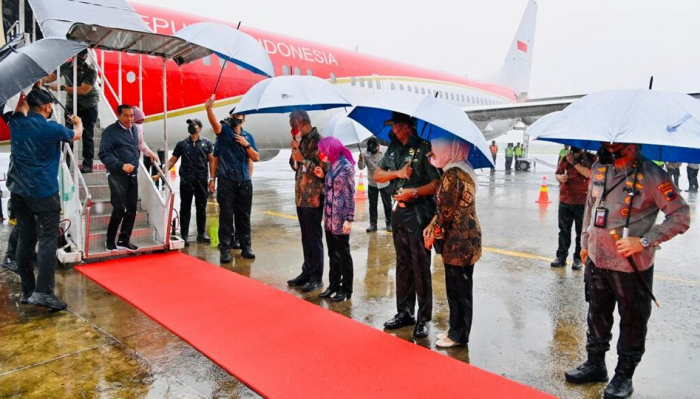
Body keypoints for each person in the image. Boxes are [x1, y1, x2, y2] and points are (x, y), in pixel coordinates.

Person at [565, 143, 690, 399]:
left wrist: (643, 241)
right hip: (597, 260)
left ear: (632, 145)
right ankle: (595, 363)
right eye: (607, 146)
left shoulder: (653, 175)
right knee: (597, 313)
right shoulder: (600, 169)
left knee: (632, 320)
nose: (610, 151)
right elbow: (591, 207)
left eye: (616, 148)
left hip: (630, 266)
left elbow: (680, 216)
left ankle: (624, 375)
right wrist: (585, 242)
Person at [7, 88, 83, 310]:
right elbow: (76, 134)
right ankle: (43, 293)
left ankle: (27, 290)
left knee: (26, 239)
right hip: (43, 192)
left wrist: (27, 90)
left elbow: (21, 107)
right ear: (48, 107)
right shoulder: (51, 128)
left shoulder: (16, 122)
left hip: (19, 192)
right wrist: (78, 123)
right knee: (48, 240)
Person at [375, 112, 440, 338]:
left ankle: (423, 318)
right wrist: (398, 173)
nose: (392, 129)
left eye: (395, 125)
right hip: (399, 214)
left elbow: (435, 183)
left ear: (406, 126)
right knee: (402, 264)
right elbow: (377, 175)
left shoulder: (424, 148)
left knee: (420, 266)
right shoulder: (393, 149)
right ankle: (404, 312)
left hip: (419, 212)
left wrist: (413, 191)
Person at [423, 136, 482, 348]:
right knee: (461, 289)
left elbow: (445, 213)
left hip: (458, 241)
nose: (433, 152)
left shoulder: (451, 174)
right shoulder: (463, 167)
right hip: (467, 238)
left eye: (437, 149)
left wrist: (433, 237)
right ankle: (455, 330)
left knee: (458, 290)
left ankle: (458, 335)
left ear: (449, 149)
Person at [205, 101, 259, 262]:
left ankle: (246, 247)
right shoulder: (224, 133)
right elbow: (215, 125)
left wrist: (246, 144)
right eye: (234, 116)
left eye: (239, 116)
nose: (236, 118)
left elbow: (255, 157)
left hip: (244, 182)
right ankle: (225, 250)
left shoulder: (248, 136)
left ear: (244, 119)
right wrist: (209, 109)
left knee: (244, 217)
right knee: (226, 218)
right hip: (227, 182)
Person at [286, 110, 328, 293]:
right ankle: (307, 271)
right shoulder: (302, 141)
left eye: (295, 128)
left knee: (314, 238)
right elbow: (294, 165)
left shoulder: (320, 141)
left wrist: (302, 158)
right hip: (301, 197)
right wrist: (295, 151)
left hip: (313, 197)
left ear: (302, 123)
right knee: (305, 237)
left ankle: (316, 277)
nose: (294, 131)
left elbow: (324, 169)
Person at [44, 49, 99, 174]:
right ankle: (66, 163)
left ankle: (87, 165)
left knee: (87, 135)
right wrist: (42, 81)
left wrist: (62, 87)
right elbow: (53, 76)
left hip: (88, 105)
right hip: (71, 105)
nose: (81, 57)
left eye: (84, 55)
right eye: (79, 54)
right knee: (68, 133)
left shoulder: (91, 71)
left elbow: (84, 90)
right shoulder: (66, 66)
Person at [163, 118, 215, 246]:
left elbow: (212, 161)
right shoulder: (182, 144)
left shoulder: (207, 143)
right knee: (185, 207)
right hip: (186, 180)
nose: (192, 127)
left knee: (201, 207)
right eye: (190, 125)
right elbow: (172, 161)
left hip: (201, 180)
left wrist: (212, 179)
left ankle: (201, 234)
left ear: (200, 128)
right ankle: (184, 235)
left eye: (194, 125)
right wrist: (161, 173)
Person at [317, 137, 355, 301]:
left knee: (343, 253)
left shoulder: (345, 167)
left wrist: (349, 218)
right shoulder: (332, 166)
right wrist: (322, 176)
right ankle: (333, 285)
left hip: (340, 218)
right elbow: (331, 190)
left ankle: (346, 288)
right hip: (330, 217)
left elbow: (350, 194)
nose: (321, 154)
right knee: (333, 253)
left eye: (323, 150)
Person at [99, 104, 141, 252]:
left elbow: (135, 150)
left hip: (132, 174)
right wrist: (120, 165)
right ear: (118, 115)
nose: (130, 119)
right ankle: (110, 240)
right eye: (126, 116)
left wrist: (135, 165)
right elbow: (103, 154)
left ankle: (124, 239)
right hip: (117, 175)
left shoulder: (134, 129)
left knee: (132, 208)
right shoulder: (110, 132)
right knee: (119, 208)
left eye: (131, 116)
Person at [551, 147, 596, 270]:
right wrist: (560, 177)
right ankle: (561, 257)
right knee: (564, 230)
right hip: (565, 200)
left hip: (583, 201)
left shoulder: (591, 159)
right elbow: (558, 173)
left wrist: (574, 163)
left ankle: (577, 259)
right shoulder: (565, 158)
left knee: (580, 232)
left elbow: (589, 174)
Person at [358, 137, 392, 232]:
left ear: (378, 146)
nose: (372, 152)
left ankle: (389, 223)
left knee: (387, 204)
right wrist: (361, 160)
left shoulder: (386, 150)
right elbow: (361, 167)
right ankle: (373, 224)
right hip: (372, 183)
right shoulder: (365, 153)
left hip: (384, 182)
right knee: (372, 204)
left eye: (374, 150)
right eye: (370, 150)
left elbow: (391, 163)